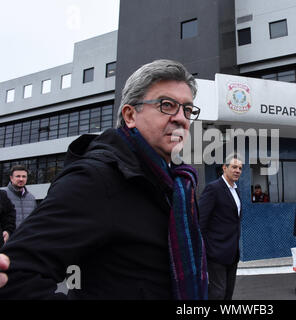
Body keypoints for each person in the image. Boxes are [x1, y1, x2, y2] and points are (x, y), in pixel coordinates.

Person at [0, 59, 208, 300]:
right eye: (167, 105)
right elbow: (16, 277)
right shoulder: (97, 179)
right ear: (130, 115)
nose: (181, 118)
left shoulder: (178, 185)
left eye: (188, 109)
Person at [199, 154, 243, 300]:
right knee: (217, 293)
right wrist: (206, 248)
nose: (237, 170)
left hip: (232, 252)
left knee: (228, 293)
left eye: (240, 168)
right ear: (224, 168)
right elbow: (201, 221)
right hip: (216, 252)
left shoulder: (236, 190)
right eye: (234, 167)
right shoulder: (213, 188)